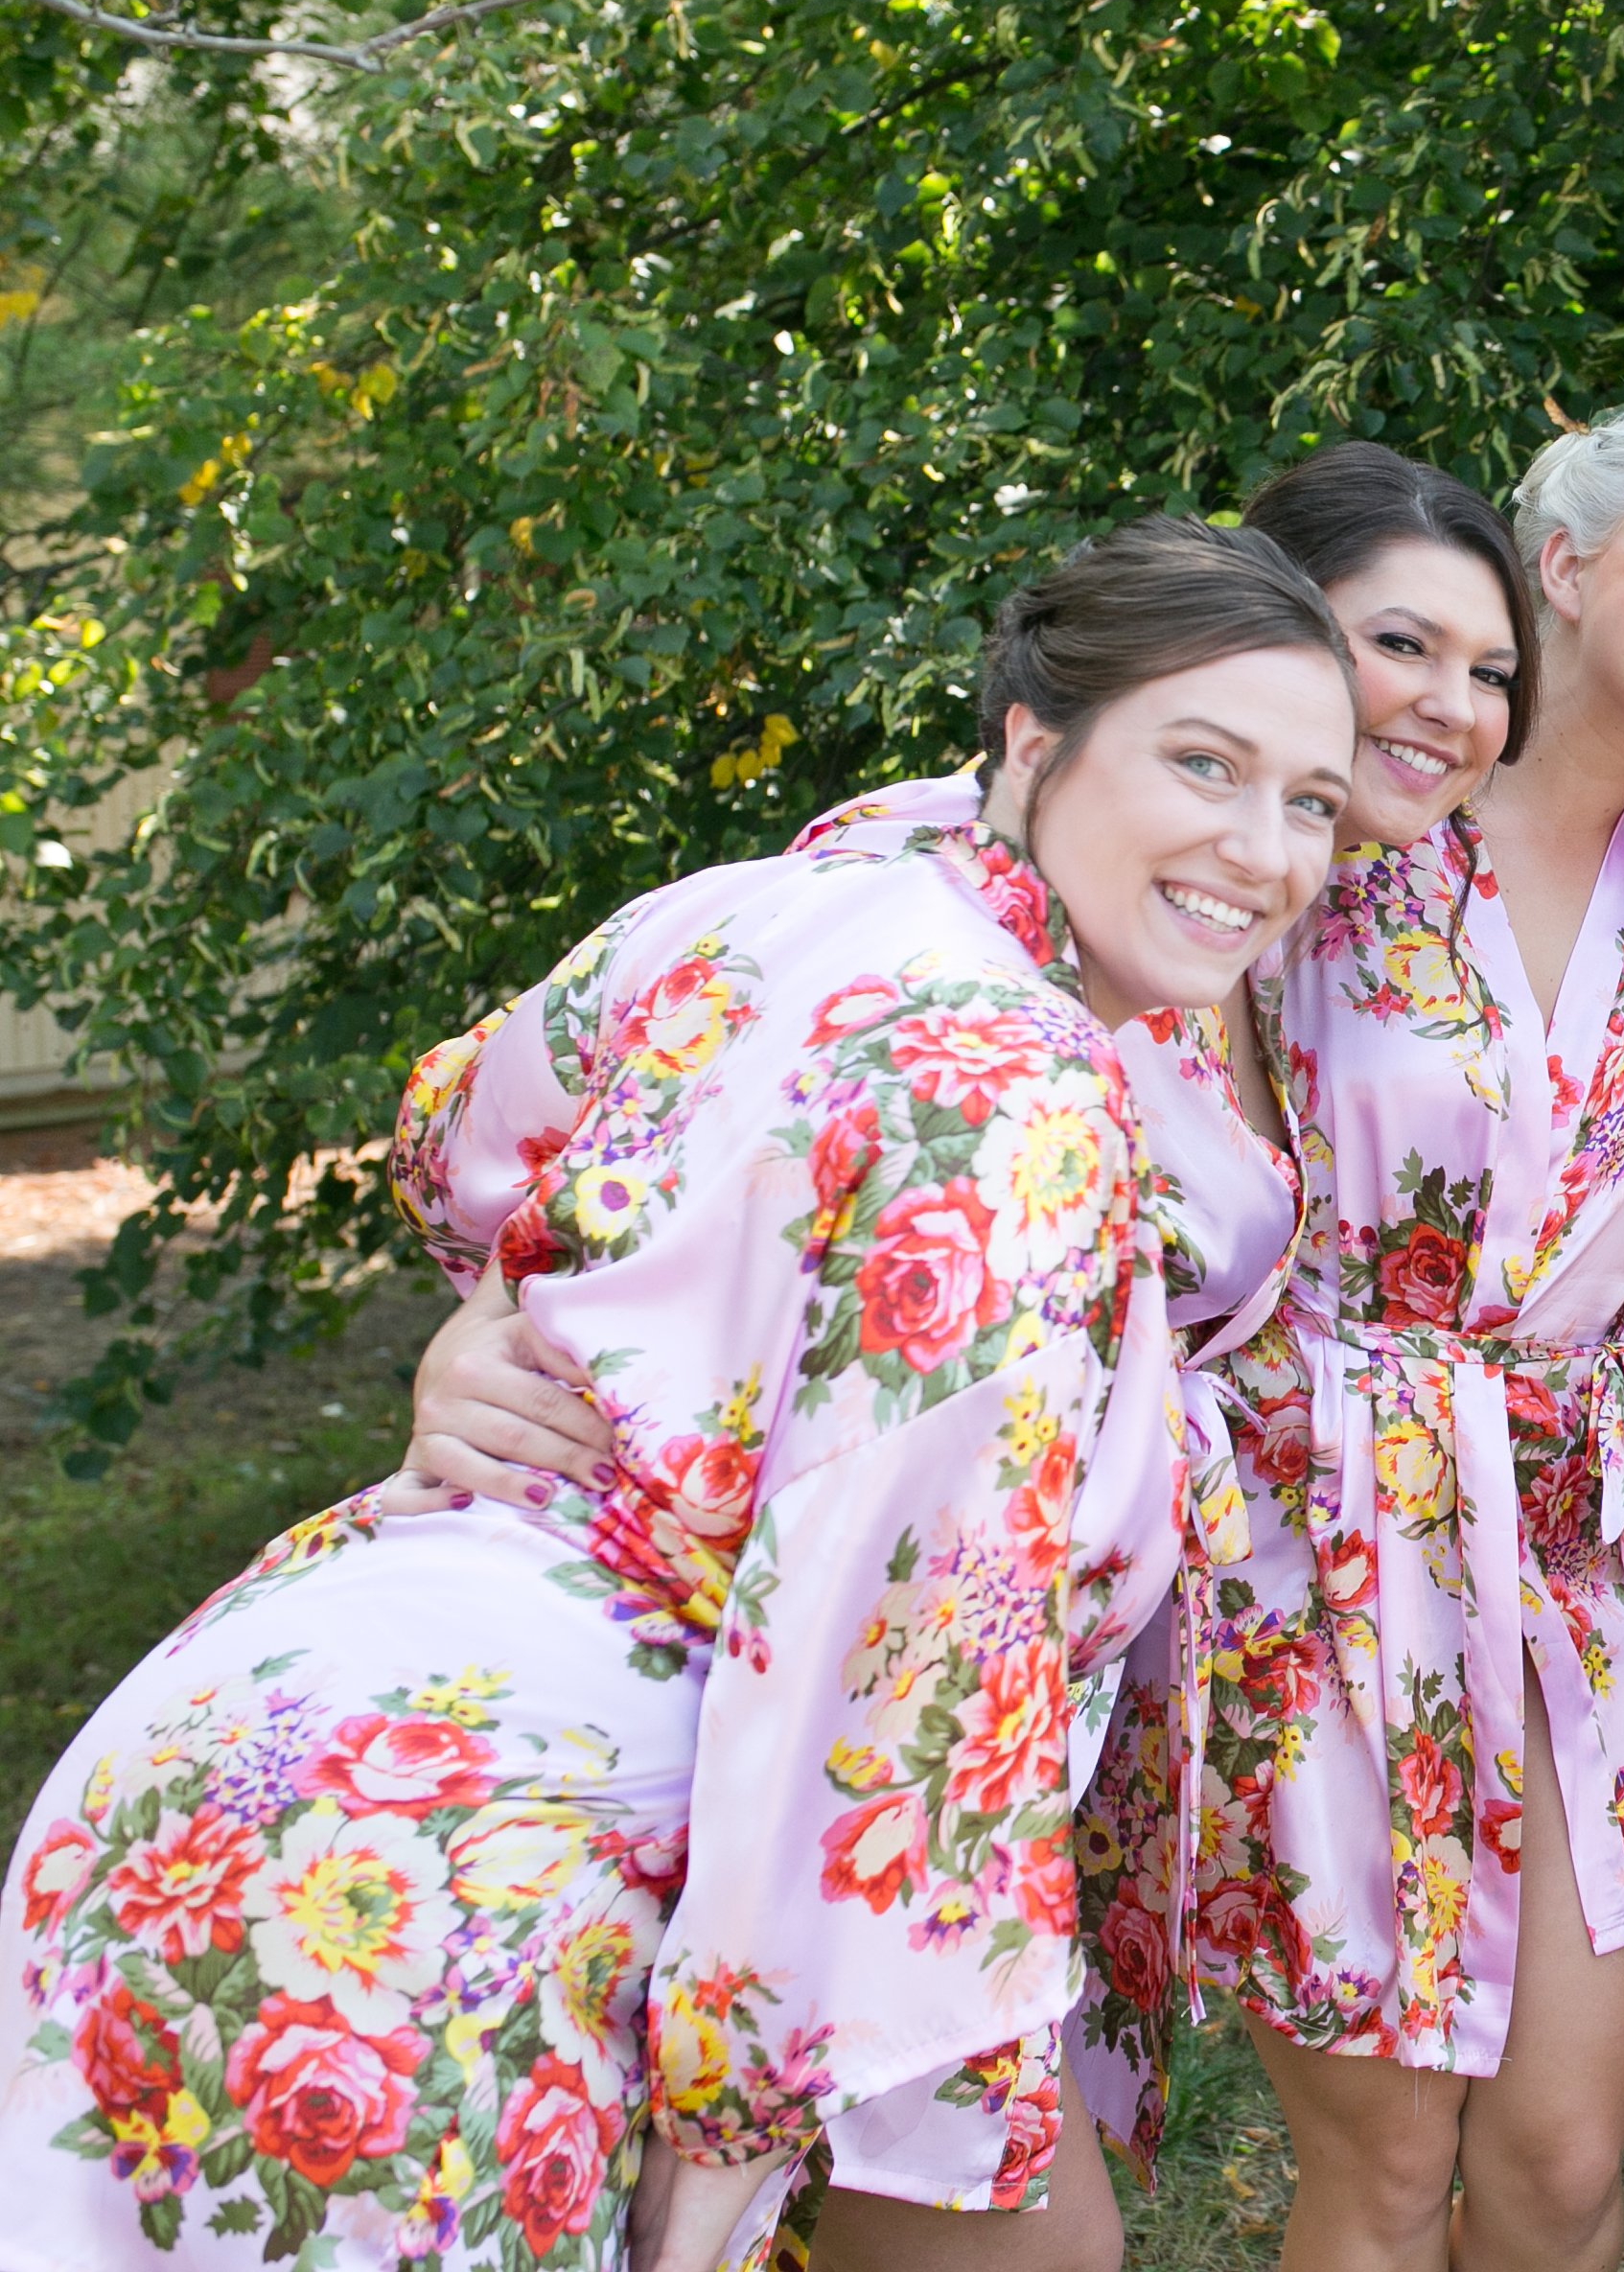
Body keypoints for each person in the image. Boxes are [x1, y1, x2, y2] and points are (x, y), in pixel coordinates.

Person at [1, 517, 1357, 2272]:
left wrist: (509, 1289)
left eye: (1309, 802)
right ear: (1035, 741)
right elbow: (909, 1638)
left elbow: (452, 1134)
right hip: (472, 1868)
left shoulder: (800, 898)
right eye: (1203, 763)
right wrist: (738, 2103)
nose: (1263, 851)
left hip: (235, 1736)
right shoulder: (1018, 1091)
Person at [1198, 412, 1624, 2272]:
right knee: (1385, 2179)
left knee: (1558, 2166)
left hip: (1582, 1552)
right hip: (1326, 1551)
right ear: (1560, 562)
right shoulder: (1322, 839)